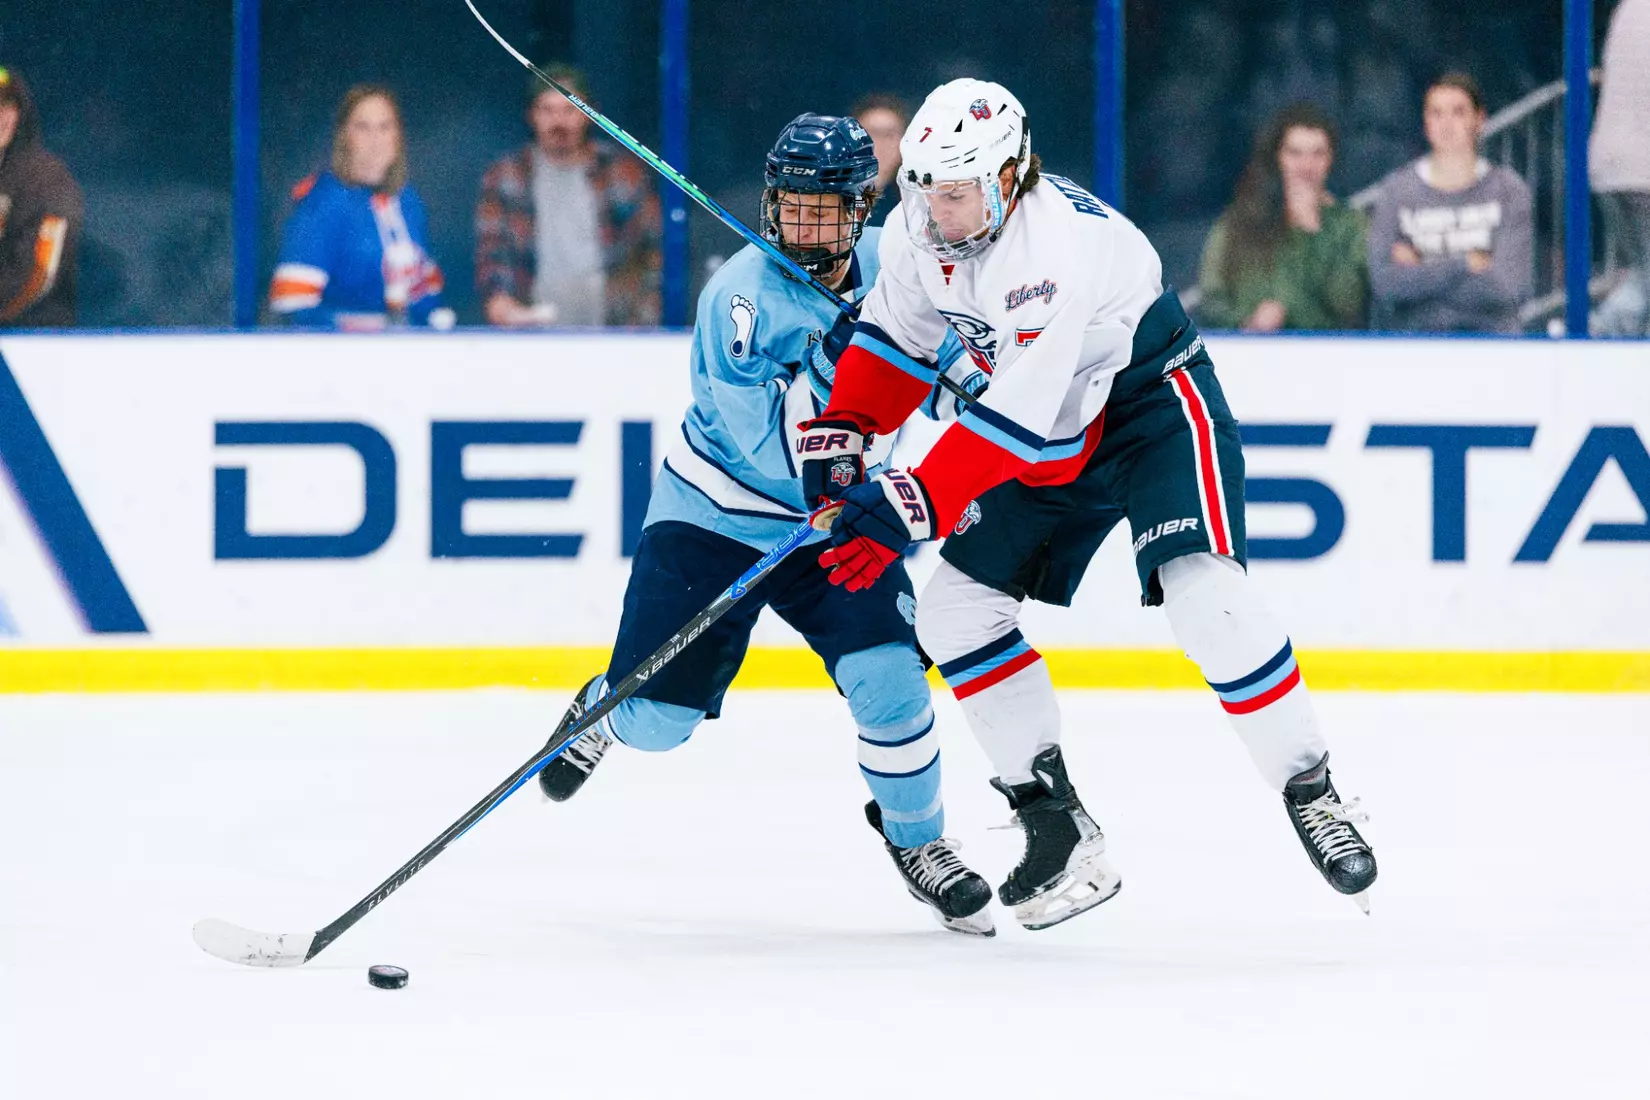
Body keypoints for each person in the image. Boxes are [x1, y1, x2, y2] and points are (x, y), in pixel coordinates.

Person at [799, 79, 1378, 931]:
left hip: (1148, 409)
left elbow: (1015, 424)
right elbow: (896, 342)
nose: (932, 210)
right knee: (955, 615)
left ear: (1007, 176)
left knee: (1206, 597)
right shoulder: (926, 226)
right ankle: (1053, 822)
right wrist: (843, 430)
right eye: (921, 188)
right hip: (1044, 429)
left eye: (954, 192)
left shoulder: (1048, 253)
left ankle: (1311, 789)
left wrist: (907, 504)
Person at [534, 112, 994, 935]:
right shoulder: (735, 298)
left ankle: (920, 842)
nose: (803, 225)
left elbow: (954, 369)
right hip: (717, 516)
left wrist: (977, 386)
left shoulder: (904, 265)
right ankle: (605, 708)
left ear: (864, 207)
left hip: (840, 522)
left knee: (891, 684)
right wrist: (841, 362)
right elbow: (775, 450)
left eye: (825, 209)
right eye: (791, 205)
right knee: (658, 725)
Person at [476, 64, 661, 328]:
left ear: (588, 115)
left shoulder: (624, 172)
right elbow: (492, 256)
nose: (559, 122)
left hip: (615, 333)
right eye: (547, 110)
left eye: (570, 110)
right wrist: (501, 305)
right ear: (531, 115)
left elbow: (654, 253)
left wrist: (643, 319)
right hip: (532, 335)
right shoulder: (505, 176)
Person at [269, 85, 451, 330]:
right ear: (344, 136)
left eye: (385, 127)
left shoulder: (409, 202)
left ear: (398, 136)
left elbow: (428, 294)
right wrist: (366, 327)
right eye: (363, 128)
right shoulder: (323, 204)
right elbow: (291, 305)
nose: (375, 140)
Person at [1366, 73, 1532, 334]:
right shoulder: (1396, 192)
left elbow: (1506, 288)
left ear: (1479, 120)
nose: (1446, 124)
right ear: (1425, 123)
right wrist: (1465, 264)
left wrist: (1421, 268)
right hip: (1416, 349)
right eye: (1436, 113)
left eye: (1458, 112)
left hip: (1493, 350)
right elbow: (1385, 282)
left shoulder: (1509, 191)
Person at [1197, 103, 1368, 331]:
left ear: (1331, 159)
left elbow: (1349, 305)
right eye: (1295, 153)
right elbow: (1211, 297)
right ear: (1277, 157)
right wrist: (1246, 322)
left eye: (1318, 153)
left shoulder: (1349, 225)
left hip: (1324, 357)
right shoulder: (1240, 221)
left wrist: (1311, 228)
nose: (1307, 166)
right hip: (1248, 355)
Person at [0, 66, 82, 327]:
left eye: (8, 105)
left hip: (31, 345)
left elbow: (40, 273)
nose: (1, 115)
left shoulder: (47, 180)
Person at [1589, 0, 1650, 337]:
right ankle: (1597, 333)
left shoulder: (1631, 7)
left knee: (1645, 275)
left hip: (1612, 164)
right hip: (1643, 167)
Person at [850, 93, 909, 227]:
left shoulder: (915, 206)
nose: (879, 143)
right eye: (871, 133)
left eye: (889, 135)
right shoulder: (825, 198)